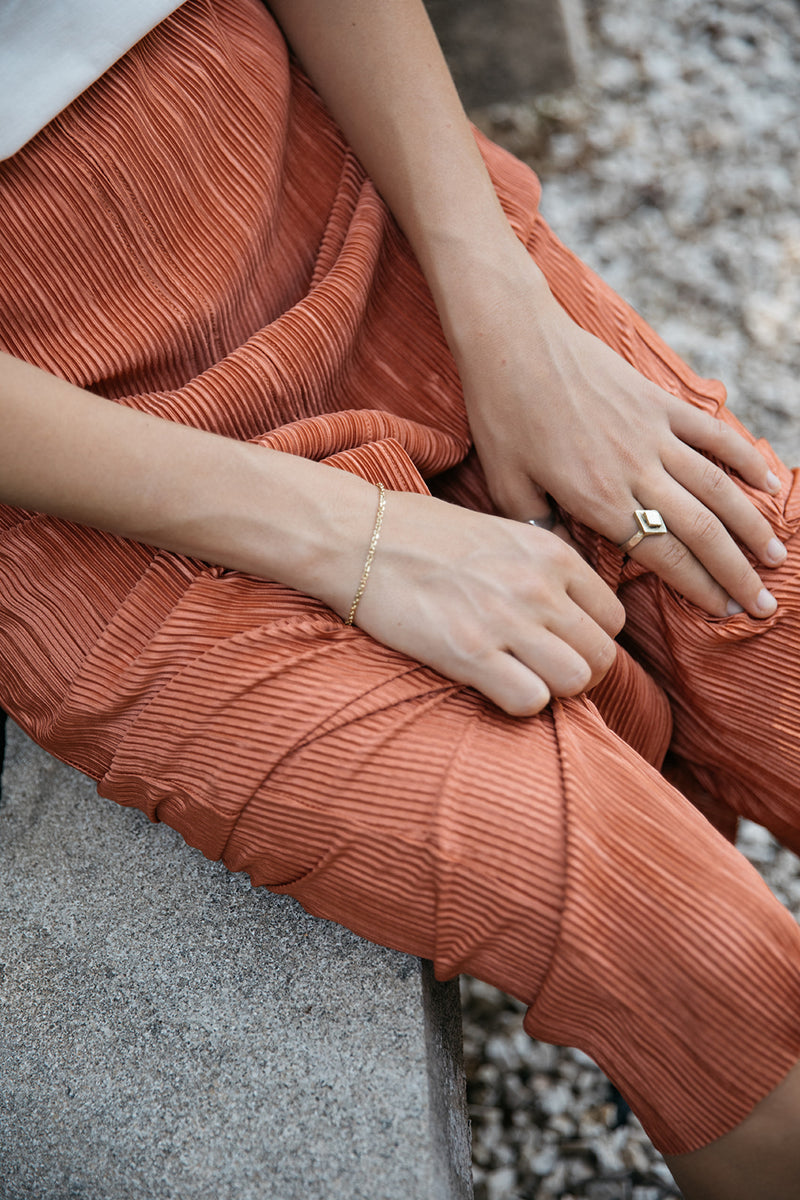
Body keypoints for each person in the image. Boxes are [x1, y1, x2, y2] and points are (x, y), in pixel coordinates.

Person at [1, 1, 800, 1195]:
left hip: (333, 195)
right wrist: (370, 542)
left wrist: (500, 311)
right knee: (688, 958)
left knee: (757, 619)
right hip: (93, 498)